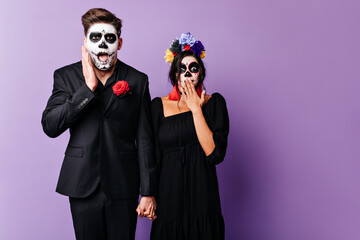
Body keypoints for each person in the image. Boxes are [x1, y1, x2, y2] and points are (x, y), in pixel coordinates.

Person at [41, 8, 157, 240]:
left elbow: (145, 140)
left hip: (124, 183)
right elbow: (50, 126)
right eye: (95, 38)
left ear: (120, 43)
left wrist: (148, 192)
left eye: (109, 38)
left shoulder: (137, 80)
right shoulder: (65, 76)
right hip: (82, 183)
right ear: (85, 42)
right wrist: (88, 89)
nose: (102, 45)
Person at [150, 33, 229, 239]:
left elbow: (213, 153)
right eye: (181, 69)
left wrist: (196, 110)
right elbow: (151, 156)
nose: (187, 74)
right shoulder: (158, 106)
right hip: (168, 198)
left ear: (200, 73)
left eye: (193, 68)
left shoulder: (214, 103)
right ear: (174, 74)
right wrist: (147, 195)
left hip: (203, 197)